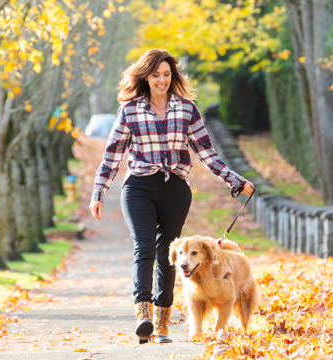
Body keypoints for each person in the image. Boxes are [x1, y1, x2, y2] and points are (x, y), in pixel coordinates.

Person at [89, 49, 254, 344]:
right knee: (144, 248)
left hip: (175, 188)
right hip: (138, 186)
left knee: (170, 254)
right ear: (146, 77)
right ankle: (144, 315)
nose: (162, 80)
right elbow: (112, 155)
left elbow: (206, 152)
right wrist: (98, 192)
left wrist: (236, 180)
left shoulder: (187, 109)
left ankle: (163, 323)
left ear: (172, 76)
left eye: (167, 74)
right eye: (156, 75)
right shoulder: (130, 110)